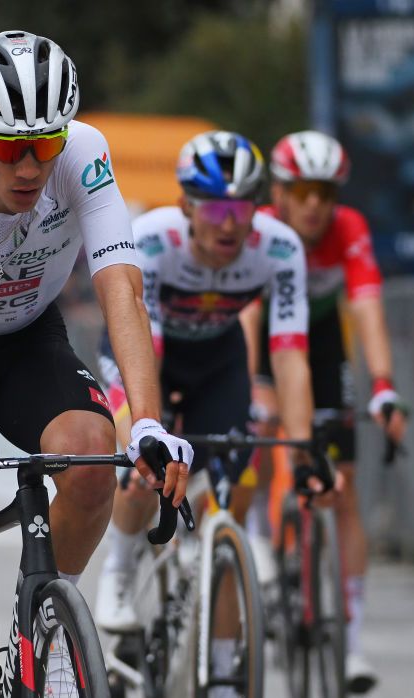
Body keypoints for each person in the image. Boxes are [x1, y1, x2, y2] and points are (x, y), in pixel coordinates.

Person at [0, 29, 192, 697]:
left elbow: (122, 289)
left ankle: (46, 628)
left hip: (27, 335)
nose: (29, 167)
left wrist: (150, 424)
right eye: (9, 147)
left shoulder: (85, 153)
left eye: (44, 145)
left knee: (89, 453)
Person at [91, 131, 316, 693]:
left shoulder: (281, 248)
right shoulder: (152, 240)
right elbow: (147, 349)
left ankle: (220, 668)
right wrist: (147, 431)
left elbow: (289, 354)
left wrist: (305, 443)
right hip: (146, 352)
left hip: (219, 363)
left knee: (231, 500)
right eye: (215, 207)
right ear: (188, 205)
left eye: (242, 208)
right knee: (145, 472)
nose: (229, 223)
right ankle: (117, 571)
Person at [245, 130, 407, 694]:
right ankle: (262, 544)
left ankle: (353, 638)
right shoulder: (258, 228)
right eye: (303, 191)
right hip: (265, 341)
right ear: (280, 192)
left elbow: (366, 309)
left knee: (346, 487)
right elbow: (244, 317)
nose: (315, 205)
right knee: (262, 436)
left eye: (326, 193)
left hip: (322, 346)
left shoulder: (349, 230)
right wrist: (249, 386)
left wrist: (384, 386)